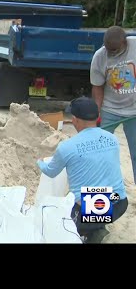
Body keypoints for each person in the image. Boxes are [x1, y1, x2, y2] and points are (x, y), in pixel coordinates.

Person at [37, 97, 128, 243]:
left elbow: (50, 171)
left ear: (75, 120)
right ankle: (96, 225)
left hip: (97, 207)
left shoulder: (67, 147)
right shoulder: (112, 139)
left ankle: (93, 233)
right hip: (119, 201)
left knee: (63, 224)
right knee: (98, 202)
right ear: (97, 117)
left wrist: (39, 162)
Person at [91, 26, 136, 183]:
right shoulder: (100, 56)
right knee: (98, 151)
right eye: (109, 50)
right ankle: (99, 187)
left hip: (134, 112)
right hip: (110, 110)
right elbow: (97, 86)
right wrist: (96, 112)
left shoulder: (135, 45)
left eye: (115, 50)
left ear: (124, 42)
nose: (111, 54)